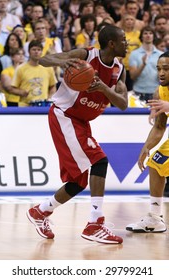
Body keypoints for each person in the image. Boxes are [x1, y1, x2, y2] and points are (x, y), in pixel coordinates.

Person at [26, 25, 128, 244]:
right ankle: (94, 224)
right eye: (123, 40)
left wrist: (103, 89)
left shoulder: (119, 69)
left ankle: (40, 211)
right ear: (112, 43)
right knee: (100, 161)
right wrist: (63, 62)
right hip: (65, 115)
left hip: (80, 121)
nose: (127, 43)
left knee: (79, 181)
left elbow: (122, 104)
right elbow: (44, 60)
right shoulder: (85, 55)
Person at [126, 50, 169, 233]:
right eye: (158, 68)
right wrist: (146, 147)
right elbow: (159, 127)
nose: (161, 73)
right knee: (155, 163)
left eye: (166, 69)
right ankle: (154, 217)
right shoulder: (159, 92)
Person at [10, 40, 57, 107]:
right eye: (34, 49)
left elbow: (53, 86)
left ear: (42, 52)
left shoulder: (48, 68)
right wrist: (21, 92)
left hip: (43, 106)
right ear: (29, 52)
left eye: (39, 50)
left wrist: (50, 98)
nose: (36, 52)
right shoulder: (20, 68)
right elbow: (12, 89)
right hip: (25, 107)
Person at [129, 25, 163, 102]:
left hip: (156, 93)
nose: (148, 35)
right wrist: (143, 64)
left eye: (150, 33)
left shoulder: (161, 55)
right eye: (145, 33)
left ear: (154, 36)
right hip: (138, 92)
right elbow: (132, 76)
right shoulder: (134, 54)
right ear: (141, 36)